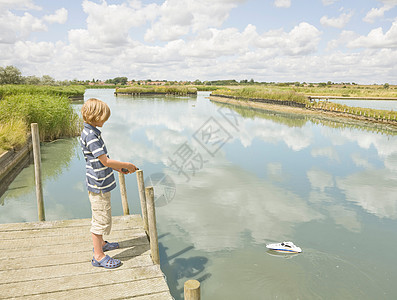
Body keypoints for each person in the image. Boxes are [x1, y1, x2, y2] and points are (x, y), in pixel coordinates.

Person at [80, 98, 138, 269]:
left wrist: (117, 169)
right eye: (103, 117)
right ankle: (98, 255)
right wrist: (125, 165)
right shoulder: (91, 136)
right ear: (94, 116)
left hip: (99, 182)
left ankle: (102, 244)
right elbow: (105, 161)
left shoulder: (91, 132)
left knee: (101, 215)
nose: (105, 120)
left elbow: (99, 161)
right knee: (100, 220)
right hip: (98, 185)